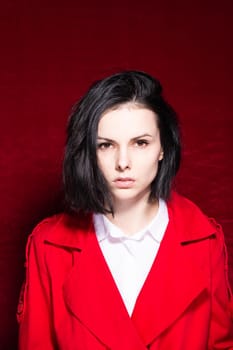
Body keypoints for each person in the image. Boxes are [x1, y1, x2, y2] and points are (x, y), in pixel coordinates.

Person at [17, 71, 233, 349]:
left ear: (163, 148)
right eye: (106, 145)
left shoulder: (204, 241)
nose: (123, 162)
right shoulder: (49, 246)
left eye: (140, 143)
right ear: (88, 153)